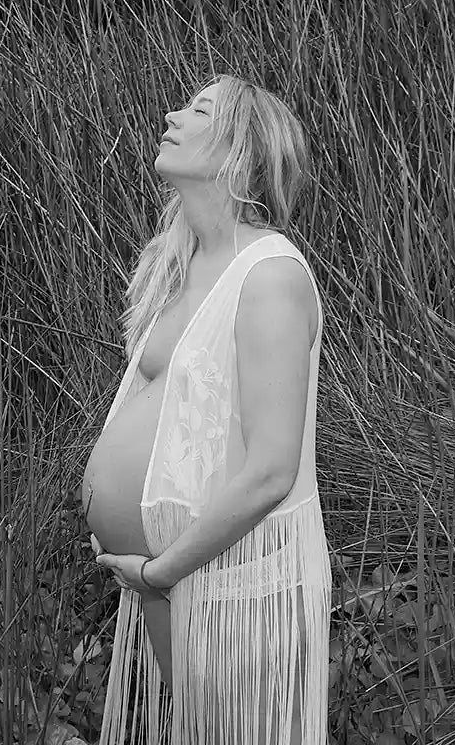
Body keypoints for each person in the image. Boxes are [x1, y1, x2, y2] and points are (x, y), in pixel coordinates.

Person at [79, 73, 331, 745]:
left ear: (240, 152)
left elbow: (272, 470)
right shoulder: (182, 263)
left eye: (198, 110)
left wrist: (163, 569)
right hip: (173, 578)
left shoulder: (270, 276)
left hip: (230, 581)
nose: (171, 114)